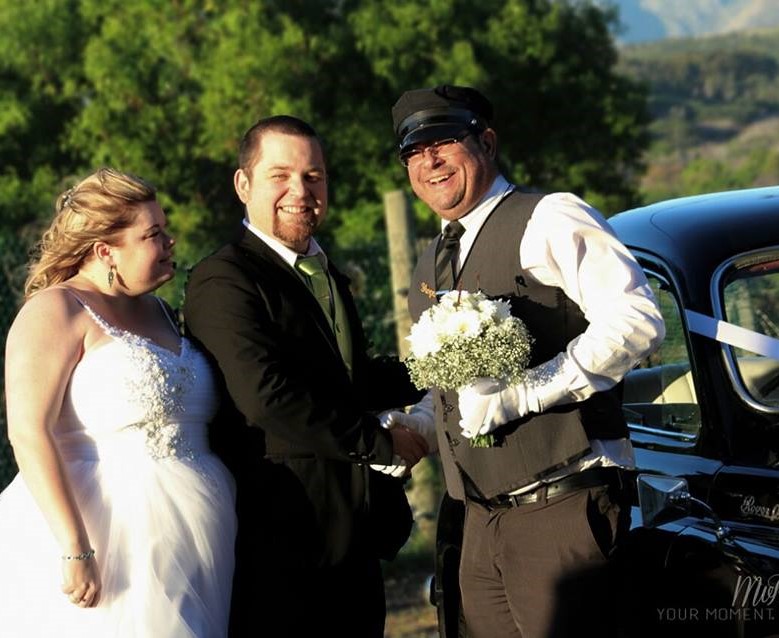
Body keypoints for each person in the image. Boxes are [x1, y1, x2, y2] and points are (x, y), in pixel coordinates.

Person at [386, 85, 666, 638]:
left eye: (444, 142)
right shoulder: (433, 259)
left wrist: (530, 391)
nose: (429, 161)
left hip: (560, 508)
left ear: (486, 142)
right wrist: (419, 423)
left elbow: (637, 320)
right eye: (414, 153)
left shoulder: (549, 218)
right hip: (479, 520)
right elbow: (457, 385)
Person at [183, 115, 428, 638]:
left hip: (353, 539)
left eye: (314, 177)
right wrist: (381, 445)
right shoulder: (223, 278)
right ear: (243, 184)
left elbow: (348, 381)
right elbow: (266, 397)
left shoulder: (325, 272)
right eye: (281, 175)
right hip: (282, 539)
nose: (301, 191)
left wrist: (444, 367)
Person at [0, 168, 236, 637]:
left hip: (198, 535)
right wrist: (75, 547)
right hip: (112, 540)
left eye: (164, 229)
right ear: (105, 251)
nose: (169, 241)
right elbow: (28, 432)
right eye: (153, 234)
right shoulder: (56, 309)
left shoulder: (162, 311)